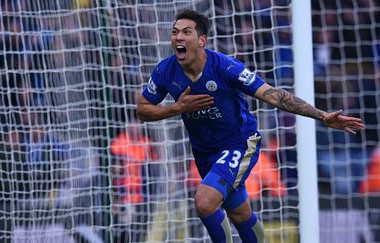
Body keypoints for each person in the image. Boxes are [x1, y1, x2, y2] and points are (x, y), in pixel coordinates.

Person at [136, 9, 365, 243]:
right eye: (175, 33)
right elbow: (142, 108)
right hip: (204, 152)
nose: (178, 38)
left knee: (204, 202)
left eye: (186, 32)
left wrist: (322, 115)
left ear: (202, 40)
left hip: (239, 143)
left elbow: (274, 96)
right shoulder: (165, 70)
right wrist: (176, 108)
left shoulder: (225, 67)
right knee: (241, 214)